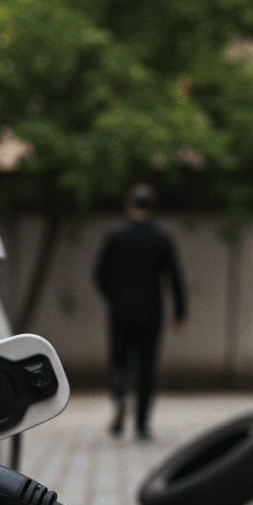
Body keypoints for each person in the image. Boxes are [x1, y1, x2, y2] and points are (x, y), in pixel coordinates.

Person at [93, 183, 187, 439]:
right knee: (146, 366)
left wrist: (113, 297)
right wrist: (180, 313)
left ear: (129, 205)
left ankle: (119, 400)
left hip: (121, 311)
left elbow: (99, 274)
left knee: (118, 361)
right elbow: (174, 278)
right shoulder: (161, 237)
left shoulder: (115, 235)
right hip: (150, 311)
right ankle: (142, 423)